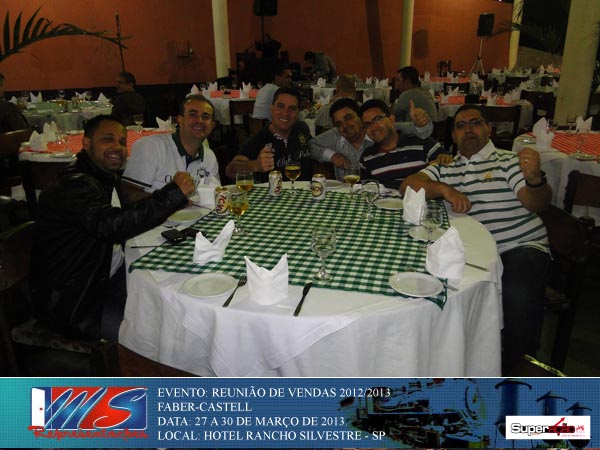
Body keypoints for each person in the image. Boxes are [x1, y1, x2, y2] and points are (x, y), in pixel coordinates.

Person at [400, 104, 552, 374]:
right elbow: (407, 186)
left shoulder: (508, 160)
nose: (468, 129)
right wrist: (443, 189)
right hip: (473, 254)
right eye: (460, 126)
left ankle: (519, 367)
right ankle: (465, 360)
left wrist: (534, 180)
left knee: (516, 292)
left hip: (518, 246)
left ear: (488, 129)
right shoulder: (445, 166)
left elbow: (536, 203)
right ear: (453, 136)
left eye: (475, 123)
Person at [30, 115, 196, 340]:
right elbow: (112, 225)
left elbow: (122, 215)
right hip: (76, 303)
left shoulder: (103, 177)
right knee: (151, 335)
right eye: (107, 139)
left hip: (108, 278)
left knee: (171, 305)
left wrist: (171, 200)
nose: (117, 147)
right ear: (86, 143)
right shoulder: (74, 185)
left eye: (122, 141)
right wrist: (172, 194)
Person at [121, 95, 220, 204]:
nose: (199, 120)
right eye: (193, 114)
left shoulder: (209, 157)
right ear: (180, 120)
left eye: (205, 117)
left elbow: (216, 196)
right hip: (155, 215)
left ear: (212, 125)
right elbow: (128, 193)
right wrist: (170, 203)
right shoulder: (152, 146)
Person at [310, 97, 434, 181]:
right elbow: (312, 145)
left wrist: (421, 123)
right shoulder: (335, 135)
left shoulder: (378, 130)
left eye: (348, 118)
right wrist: (332, 156)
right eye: (339, 124)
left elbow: (422, 132)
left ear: (360, 117)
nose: (345, 126)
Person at [226, 87, 311, 183]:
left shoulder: (302, 128)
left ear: (298, 112)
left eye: (292, 109)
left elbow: (314, 150)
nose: (285, 113)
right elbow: (230, 170)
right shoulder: (258, 141)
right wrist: (255, 165)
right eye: (280, 106)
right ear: (271, 108)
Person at [359, 99, 448, 189]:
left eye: (377, 120)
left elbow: (446, 160)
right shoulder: (367, 157)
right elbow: (362, 188)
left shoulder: (420, 143)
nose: (373, 127)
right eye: (367, 125)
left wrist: (444, 158)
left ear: (391, 119)